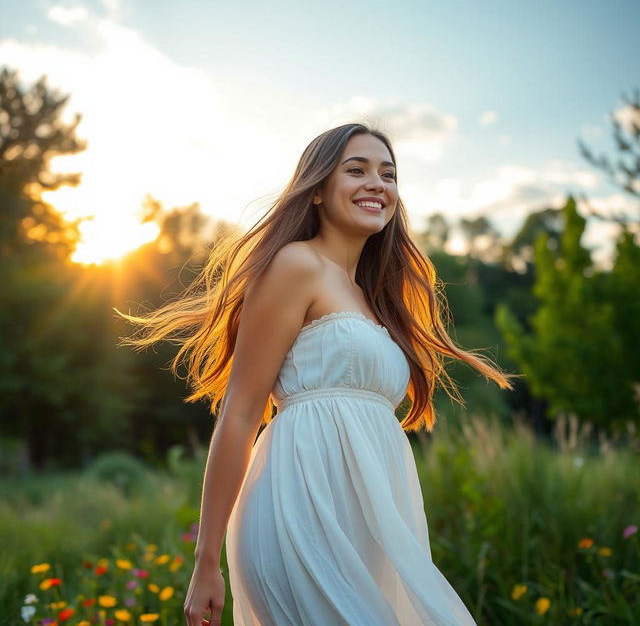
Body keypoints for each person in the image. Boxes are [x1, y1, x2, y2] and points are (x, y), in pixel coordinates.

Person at [117, 122, 517, 625]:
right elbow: (240, 414)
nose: (378, 183)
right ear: (318, 192)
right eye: (357, 170)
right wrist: (206, 563)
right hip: (298, 507)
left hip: (370, 521)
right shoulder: (296, 265)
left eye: (388, 174)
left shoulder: (375, 301)